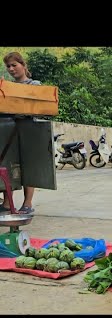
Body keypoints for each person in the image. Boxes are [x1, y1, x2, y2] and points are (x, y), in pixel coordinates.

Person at [0, 52, 40, 215]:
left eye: (14, 65)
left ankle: (27, 203)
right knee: (8, 165)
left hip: (28, 129)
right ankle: (8, 202)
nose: (11, 69)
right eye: (8, 66)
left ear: (23, 65)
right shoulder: (6, 87)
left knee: (27, 166)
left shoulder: (34, 84)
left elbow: (33, 105)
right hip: (9, 130)